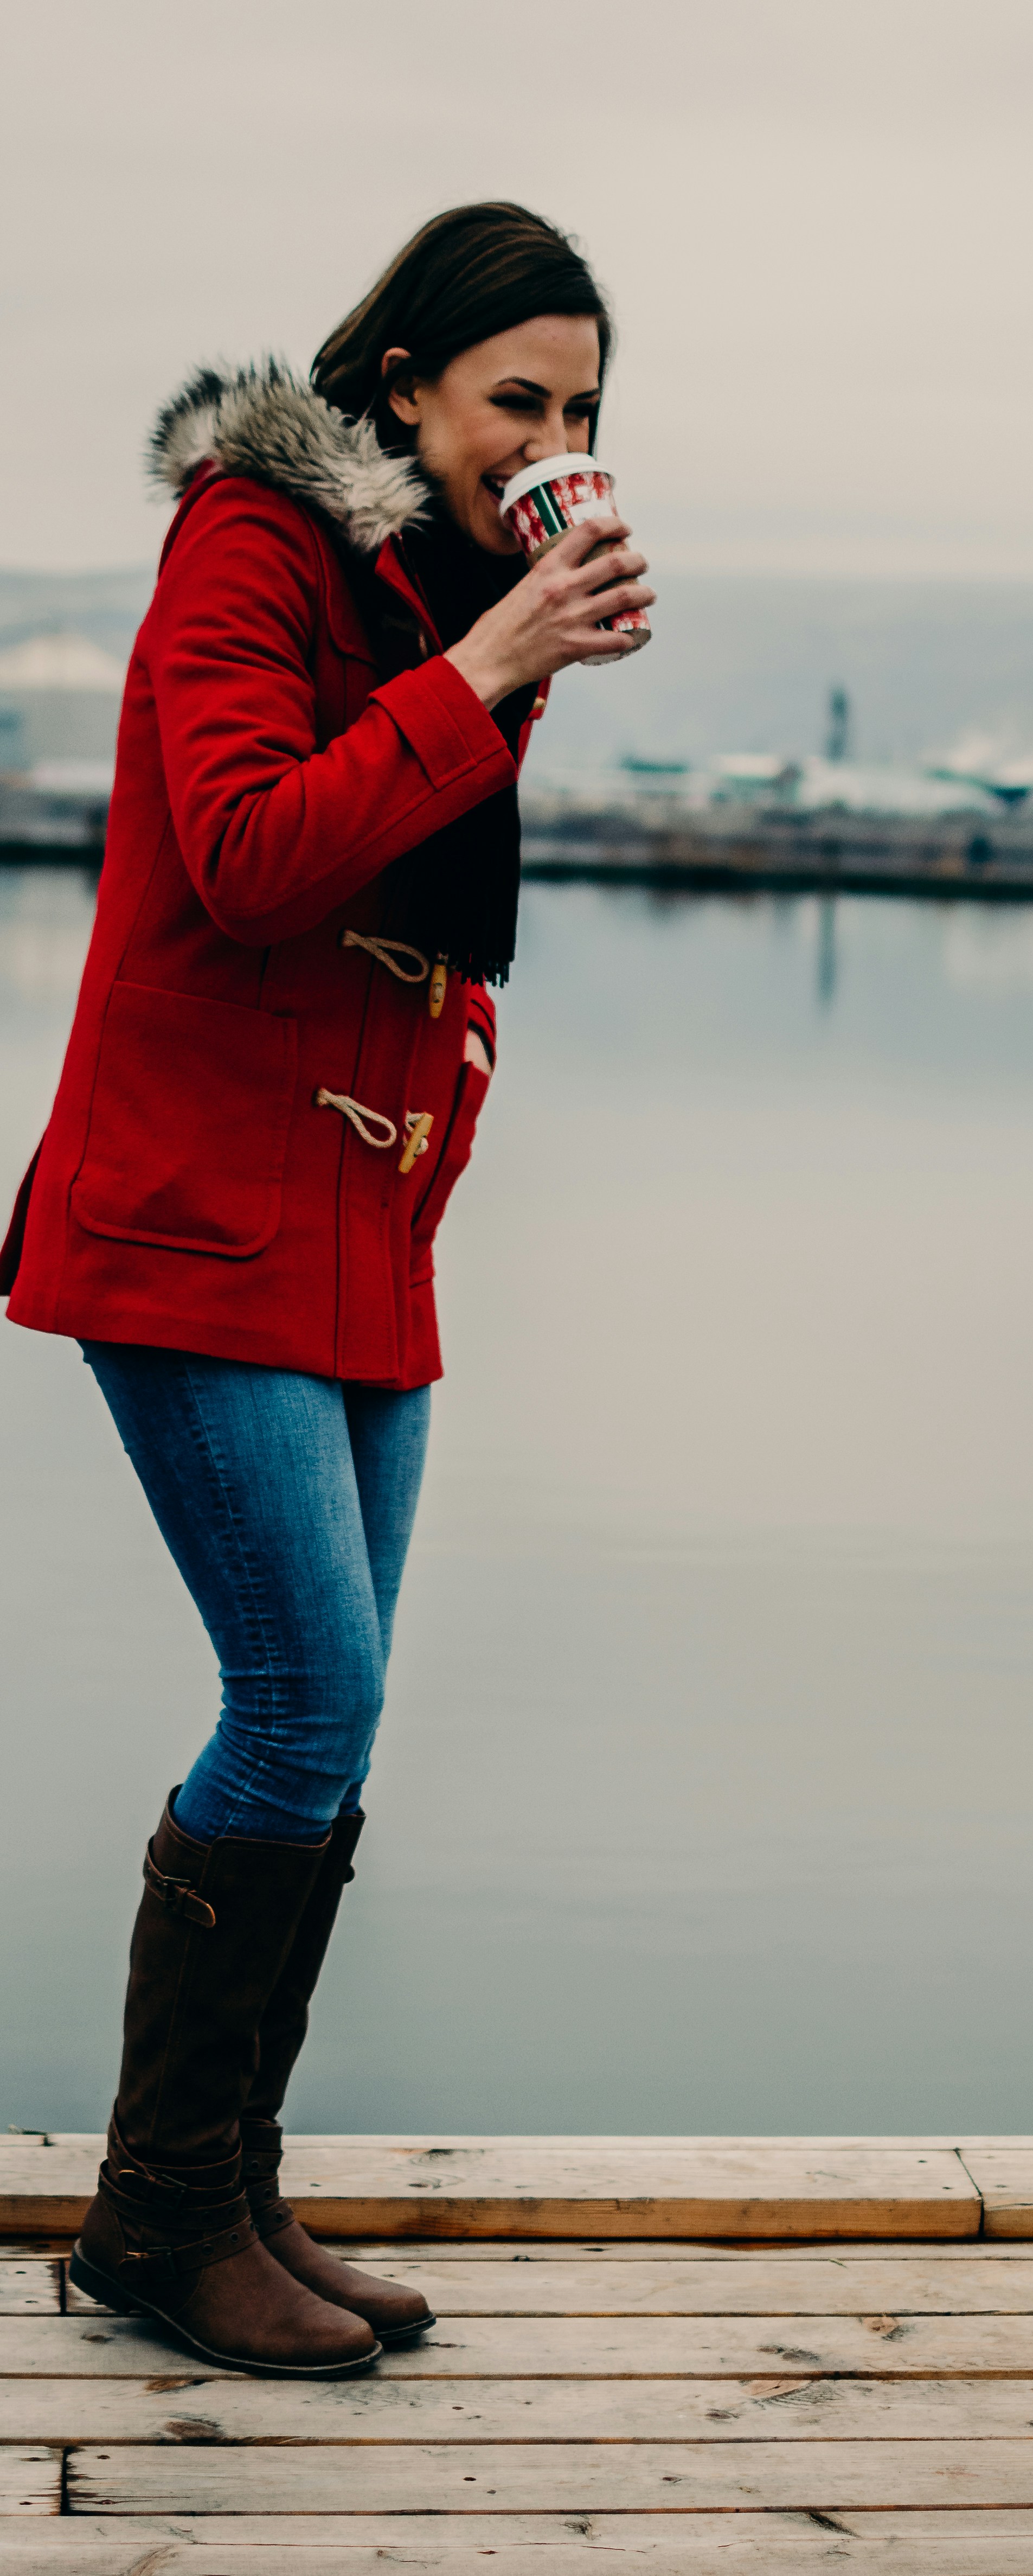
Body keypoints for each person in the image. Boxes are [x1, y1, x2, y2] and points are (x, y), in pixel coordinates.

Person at [0, 203, 654, 2378]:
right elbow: (250, 852)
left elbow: (422, 918)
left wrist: (508, 648)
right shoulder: (251, 542)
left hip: (353, 1220)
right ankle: (163, 2217)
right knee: (303, 1704)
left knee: (325, 1716)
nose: (554, 443)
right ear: (403, 391)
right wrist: (484, 670)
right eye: (518, 404)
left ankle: (216, 2186)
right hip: (191, 1213)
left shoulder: (455, 589)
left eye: (584, 412)